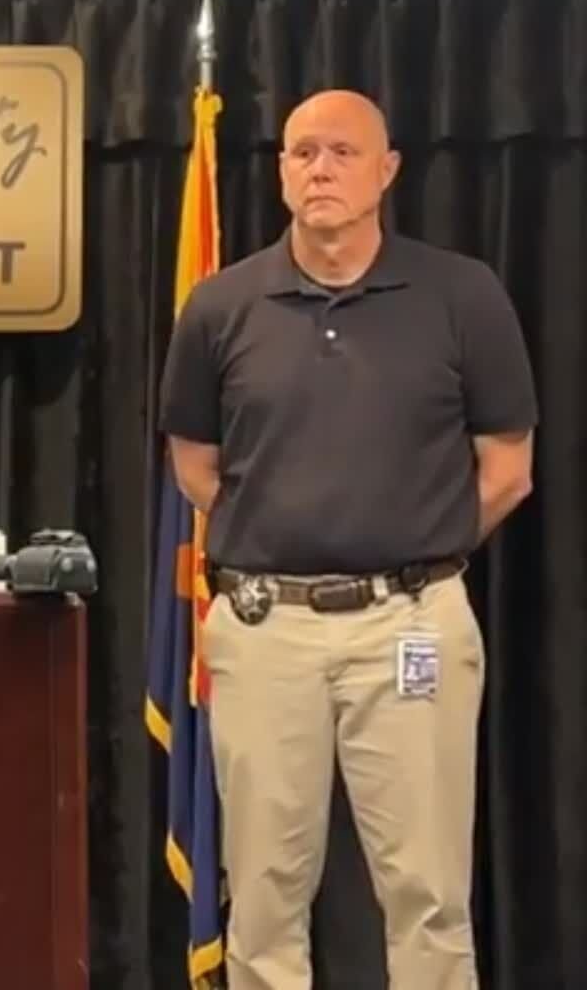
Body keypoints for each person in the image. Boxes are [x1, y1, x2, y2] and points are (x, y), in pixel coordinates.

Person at [159, 88, 537, 989]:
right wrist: (287, 533)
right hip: (265, 630)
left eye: (342, 152)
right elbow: (194, 466)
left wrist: (416, 548)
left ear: (387, 170)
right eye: (301, 153)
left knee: (427, 892)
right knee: (262, 895)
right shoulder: (221, 305)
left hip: (412, 625)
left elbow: (508, 468)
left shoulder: (461, 295)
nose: (319, 170)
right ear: (281, 171)